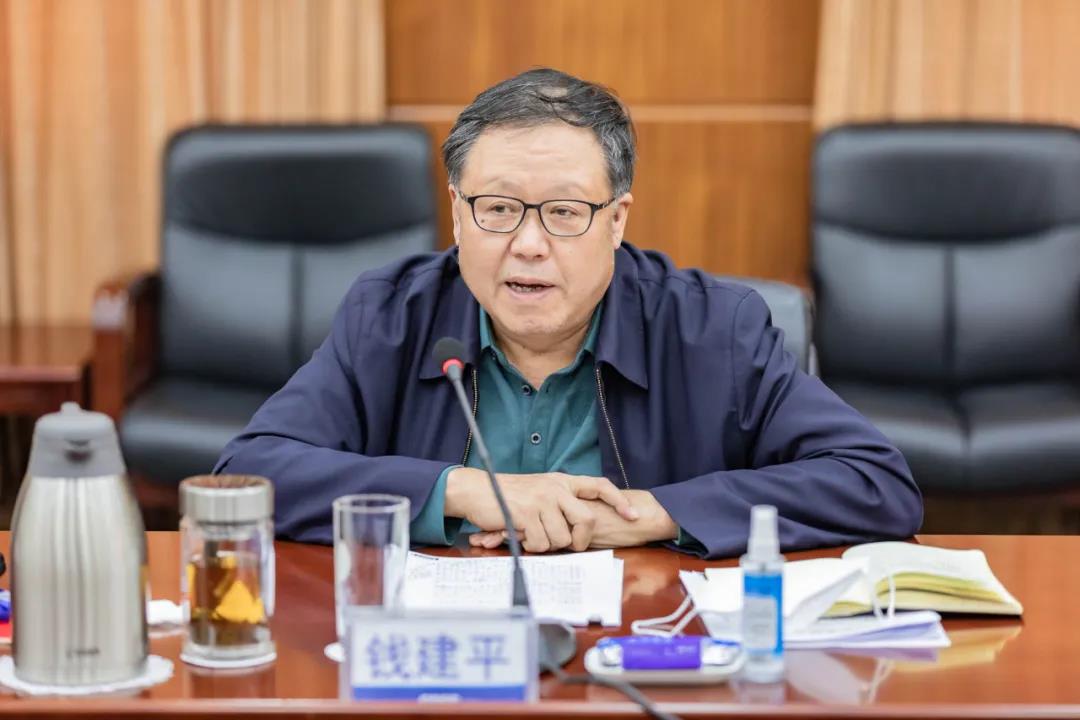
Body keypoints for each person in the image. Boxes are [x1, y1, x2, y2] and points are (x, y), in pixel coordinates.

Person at [214, 68, 922, 559]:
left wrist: (657, 514)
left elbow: (875, 483)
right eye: (497, 209)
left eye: (563, 212)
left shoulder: (712, 329)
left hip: (641, 643)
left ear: (616, 220)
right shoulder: (391, 315)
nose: (528, 245)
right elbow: (247, 475)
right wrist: (466, 491)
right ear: (456, 213)